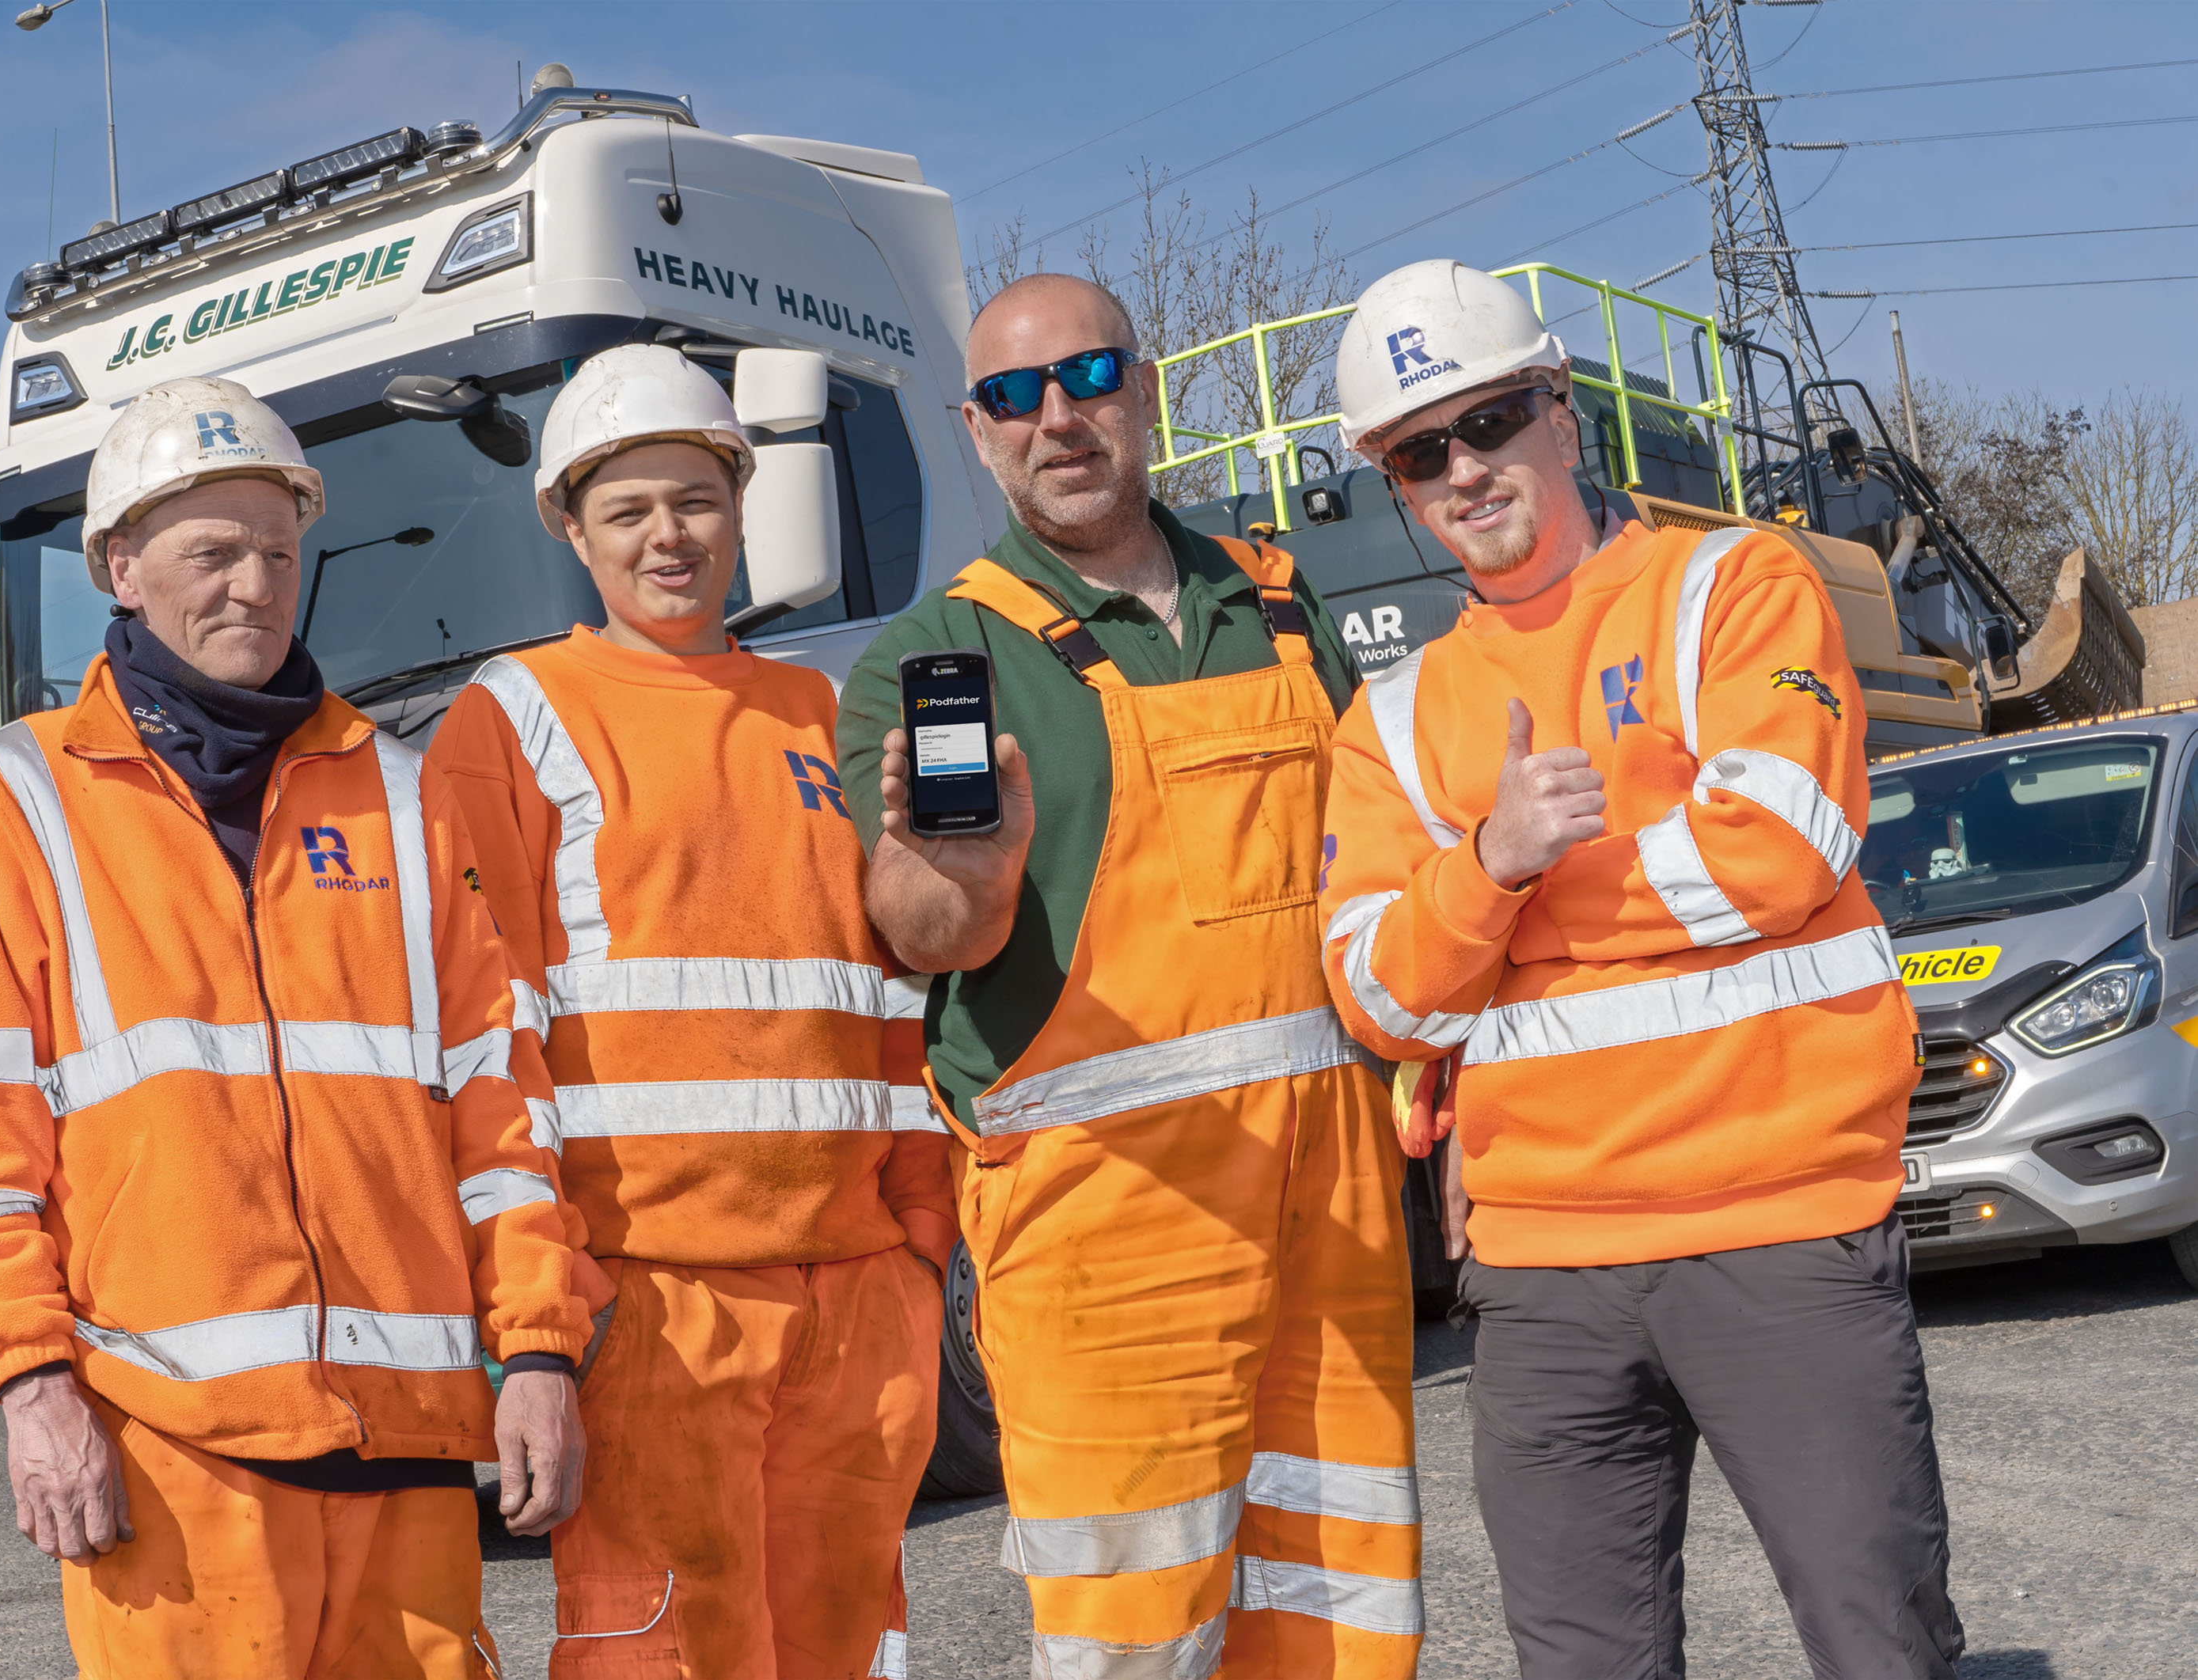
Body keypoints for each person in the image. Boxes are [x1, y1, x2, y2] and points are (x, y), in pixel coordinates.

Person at [0, 377, 590, 1678]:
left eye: (278, 550)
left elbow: (498, 1105)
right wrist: (32, 1386)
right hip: (170, 1458)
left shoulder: (398, 791)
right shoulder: (16, 799)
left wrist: (539, 1345)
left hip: (410, 1447)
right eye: (212, 552)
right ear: (119, 567)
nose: (255, 585)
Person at [1317, 260, 1963, 1679]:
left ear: (1560, 411)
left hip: (1779, 1222)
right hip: (1546, 1270)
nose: (1462, 471)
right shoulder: (1396, 714)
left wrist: (1501, 916)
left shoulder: (1732, 583)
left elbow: (1780, 851)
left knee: (1877, 1639)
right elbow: (1375, 994)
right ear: (1390, 480)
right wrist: (1491, 859)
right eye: (1419, 453)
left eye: (1487, 423)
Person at [837, 274, 1423, 1677]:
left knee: (1342, 1605)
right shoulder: (933, 660)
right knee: (1132, 1631)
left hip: (1333, 1213)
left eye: (1088, 379)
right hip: (1105, 1238)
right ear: (975, 431)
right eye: (1013, 396)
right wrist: (960, 868)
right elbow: (920, 932)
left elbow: (1382, 875)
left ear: (1143, 392)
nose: (1056, 419)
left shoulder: (1281, 608)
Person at [427, 343, 954, 1678]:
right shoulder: (512, 721)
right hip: (651, 1304)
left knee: (850, 1643)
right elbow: (491, 1047)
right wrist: (540, 1323)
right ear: (571, 528)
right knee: (662, 1657)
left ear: (741, 501)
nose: (669, 538)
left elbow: (891, 1002)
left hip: (852, 1295)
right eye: (628, 511)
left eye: (696, 500)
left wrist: (915, 1243)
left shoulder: (824, 712)